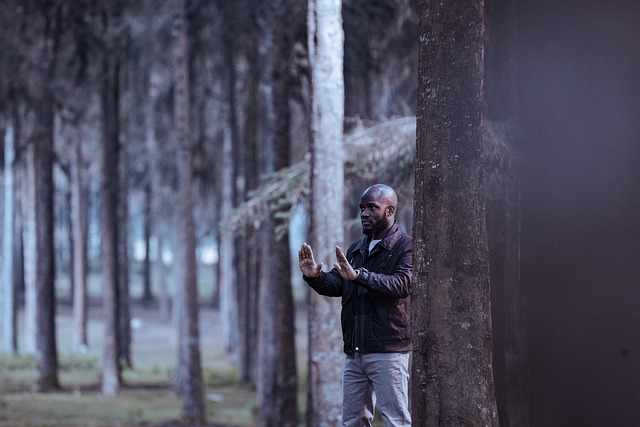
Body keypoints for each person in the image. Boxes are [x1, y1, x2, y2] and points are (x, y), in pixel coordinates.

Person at [298, 184, 412, 427]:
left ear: (390, 211)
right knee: (352, 421)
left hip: (388, 353)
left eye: (372, 208)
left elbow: (401, 285)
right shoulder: (356, 249)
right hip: (355, 354)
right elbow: (338, 284)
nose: (364, 214)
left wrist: (359, 275)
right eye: (361, 208)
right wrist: (314, 277)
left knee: (396, 421)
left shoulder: (406, 246)